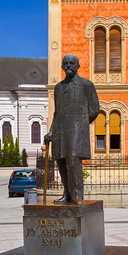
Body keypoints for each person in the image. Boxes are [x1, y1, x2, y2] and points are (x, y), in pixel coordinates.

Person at [45, 54, 99, 204]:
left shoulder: (86, 85)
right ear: (62, 67)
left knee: (73, 162)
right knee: (61, 162)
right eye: (65, 63)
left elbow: (95, 109)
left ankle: (77, 195)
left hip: (76, 130)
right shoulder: (58, 88)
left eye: (71, 63)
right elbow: (56, 113)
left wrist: (81, 123)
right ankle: (67, 195)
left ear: (77, 66)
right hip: (60, 130)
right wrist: (51, 131)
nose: (68, 65)